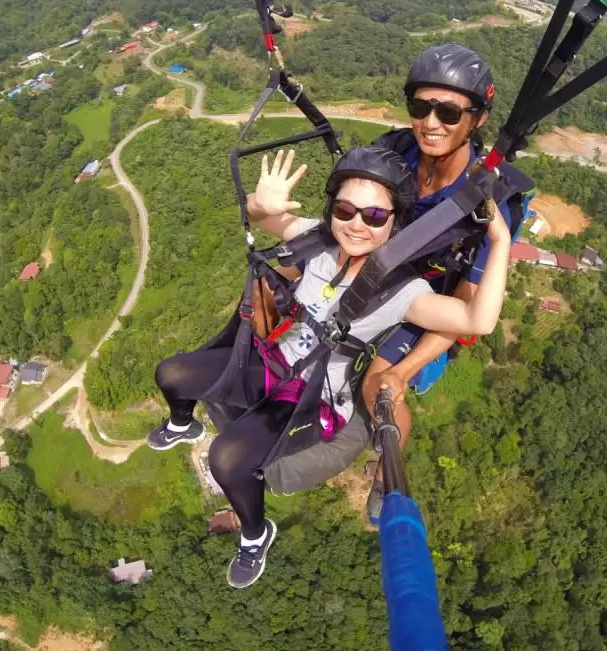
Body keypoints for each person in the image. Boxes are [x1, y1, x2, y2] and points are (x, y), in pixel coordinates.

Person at [146, 145, 512, 588]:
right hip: (274, 362)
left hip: (312, 396)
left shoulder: (402, 290)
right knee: (171, 374)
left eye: (375, 217)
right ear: (332, 210)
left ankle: (255, 534)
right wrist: (260, 204)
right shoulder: (320, 240)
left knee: (227, 460)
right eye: (346, 210)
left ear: (395, 220)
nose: (357, 225)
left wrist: (500, 242)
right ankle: (184, 424)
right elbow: (265, 219)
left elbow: (478, 320)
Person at [360, 43, 531, 521]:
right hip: (375, 272)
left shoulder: (496, 198)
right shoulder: (392, 151)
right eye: (420, 107)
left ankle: (384, 477)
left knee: (380, 389)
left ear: (476, 119)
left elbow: (467, 301)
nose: (430, 123)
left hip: (436, 297)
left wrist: (404, 367)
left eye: (448, 111)